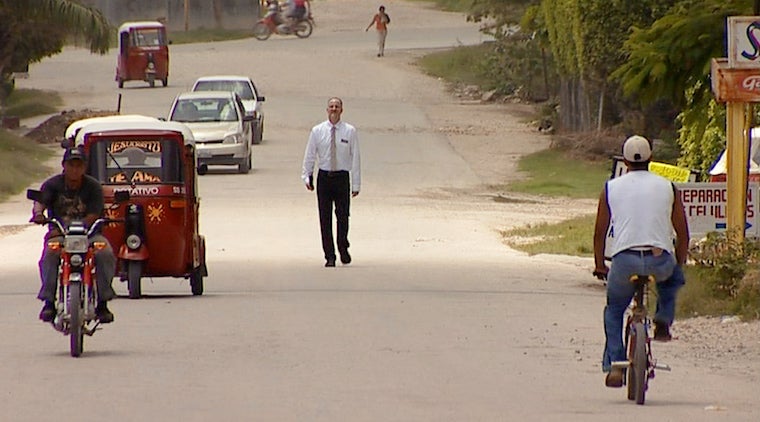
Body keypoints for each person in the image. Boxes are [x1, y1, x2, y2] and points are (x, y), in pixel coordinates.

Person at [592, 135, 689, 388]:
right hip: (659, 259)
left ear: (624, 160)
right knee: (672, 278)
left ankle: (614, 365)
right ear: (651, 159)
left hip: (625, 260)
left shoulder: (611, 187)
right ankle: (663, 320)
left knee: (614, 312)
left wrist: (600, 265)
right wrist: (678, 264)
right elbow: (683, 234)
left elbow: (599, 232)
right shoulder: (668, 186)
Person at [31, 147, 117, 323]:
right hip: (60, 234)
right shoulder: (52, 185)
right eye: (71, 165)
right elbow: (40, 201)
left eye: (79, 165)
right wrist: (38, 214)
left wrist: (83, 224)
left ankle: (103, 302)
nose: (75, 169)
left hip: (90, 234)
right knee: (50, 254)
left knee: (105, 253)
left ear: (84, 167)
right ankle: (48, 302)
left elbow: (95, 212)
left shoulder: (93, 186)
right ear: (64, 166)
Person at [301, 97, 361, 267]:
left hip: (342, 178)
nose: (334, 109)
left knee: (343, 217)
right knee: (324, 218)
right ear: (327, 110)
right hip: (324, 178)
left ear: (342, 110)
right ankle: (330, 255)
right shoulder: (317, 131)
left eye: (337, 107)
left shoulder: (350, 131)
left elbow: (355, 157)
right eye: (331, 106)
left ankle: (343, 246)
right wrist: (307, 175)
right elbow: (310, 155)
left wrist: (356, 184)